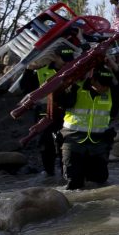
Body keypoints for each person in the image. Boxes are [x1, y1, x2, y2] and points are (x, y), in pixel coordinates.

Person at [55, 65, 118, 190]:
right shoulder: (76, 88)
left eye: (107, 84)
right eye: (102, 84)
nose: (105, 87)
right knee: (73, 182)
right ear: (93, 80)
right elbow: (60, 99)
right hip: (73, 140)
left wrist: (112, 65)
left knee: (99, 182)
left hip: (98, 143)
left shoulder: (112, 92)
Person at [20, 45, 77, 176]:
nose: (67, 62)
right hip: (45, 112)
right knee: (46, 145)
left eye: (70, 59)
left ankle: (66, 173)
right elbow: (25, 88)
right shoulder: (42, 71)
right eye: (64, 59)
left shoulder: (74, 71)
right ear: (55, 57)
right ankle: (49, 173)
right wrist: (29, 70)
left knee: (66, 144)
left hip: (67, 111)